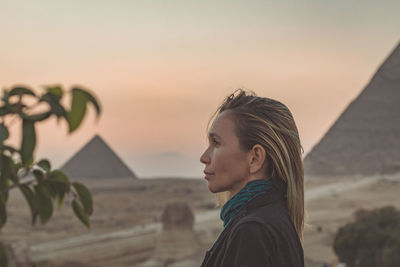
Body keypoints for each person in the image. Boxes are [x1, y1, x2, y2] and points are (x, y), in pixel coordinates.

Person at [200, 89, 304, 267]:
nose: (204, 157)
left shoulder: (252, 231)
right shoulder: (273, 220)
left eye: (216, 143)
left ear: (255, 158)